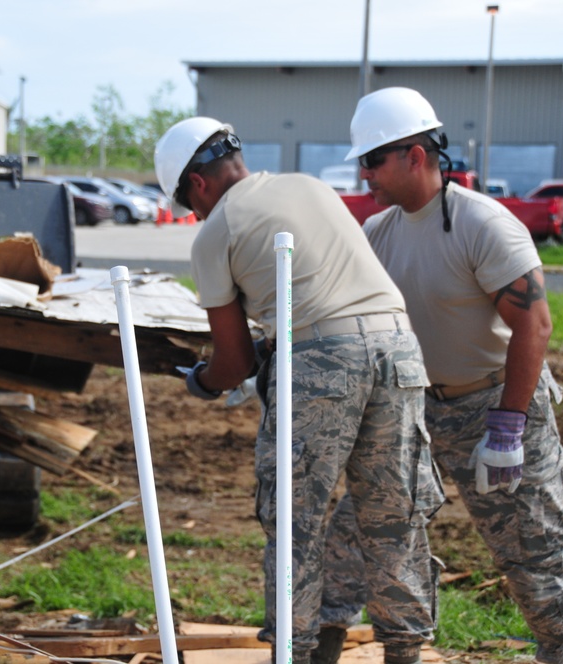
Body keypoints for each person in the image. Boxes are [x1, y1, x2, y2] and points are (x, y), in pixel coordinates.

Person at [154, 117, 443, 664]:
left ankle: (297, 652)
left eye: (188, 202)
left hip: (321, 366)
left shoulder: (216, 231)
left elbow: (233, 360)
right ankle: (404, 652)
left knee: (294, 523)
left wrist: (201, 382)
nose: (194, 214)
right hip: (399, 348)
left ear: (197, 183)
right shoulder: (310, 186)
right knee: (391, 515)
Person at [346, 87, 563, 664]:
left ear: (415, 155)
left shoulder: (482, 223)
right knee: (386, 532)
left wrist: (508, 427)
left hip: (495, 404)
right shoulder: (379, 232)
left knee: (532, 553)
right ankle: (401, 648)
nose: (364, 174)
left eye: (373, 159)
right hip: (417, 410)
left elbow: (534, 324)